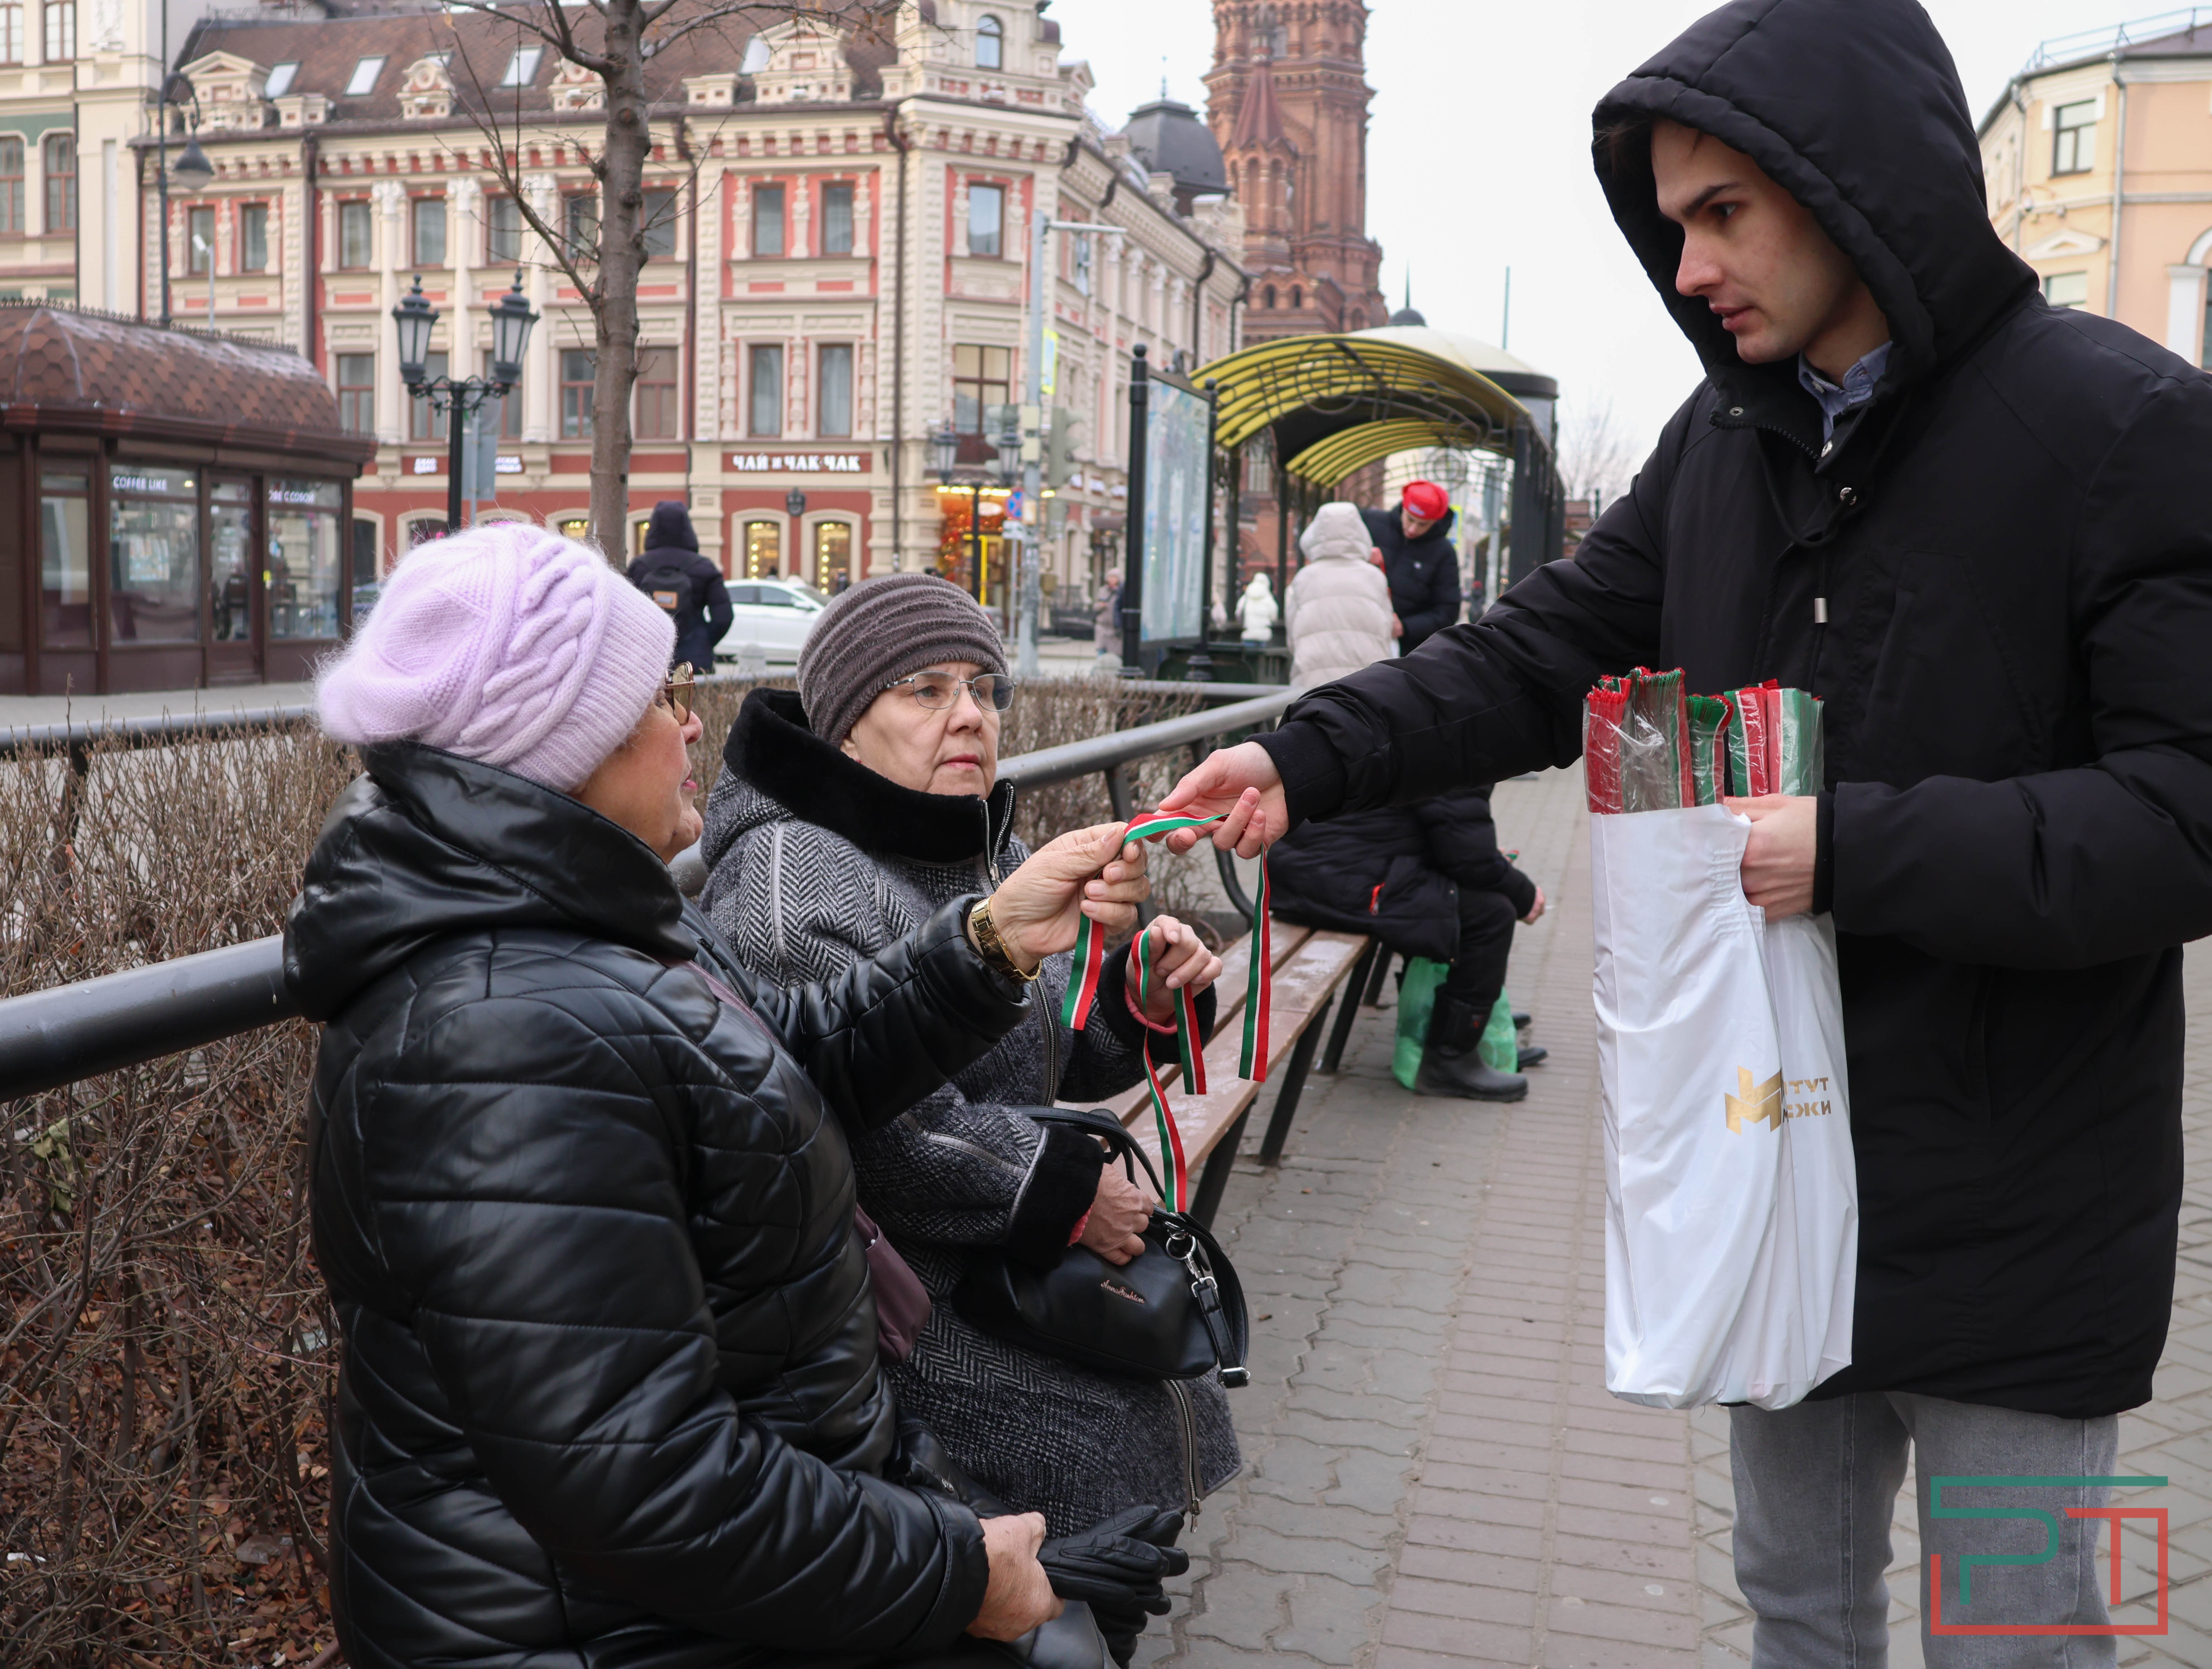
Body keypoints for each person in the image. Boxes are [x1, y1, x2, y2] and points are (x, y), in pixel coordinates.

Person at [1156, 1, 2212, 1660]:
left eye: (1723, 212)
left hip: (2027, 1206)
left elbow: (2184, 815)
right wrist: (1309, 754)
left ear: (1854, 184)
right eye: (1671, 223)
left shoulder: (2126, 422)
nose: (1691, 264)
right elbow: (1543, 649)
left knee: (2028, 1632)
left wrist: (1852, 850)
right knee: (1795, 1602)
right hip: (1767, 1160)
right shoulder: (1726, 437)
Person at [286, 523, 1183, 1668]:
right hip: (593, 1631)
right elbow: (643, 1478)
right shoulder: (503, 1034)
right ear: (569, 744)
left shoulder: (585, 920)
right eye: (661, 696)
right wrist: (956, 1572)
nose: (694, 721)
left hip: (694, 1585)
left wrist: (989, 941)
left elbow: (777, 1062)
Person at [697, 573, 1243, 1558]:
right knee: (1098, 1430)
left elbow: (1049, 1046)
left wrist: (1140, 1000)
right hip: (891, 1300)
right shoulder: (793, 876)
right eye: (926, 690)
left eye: (985, 690)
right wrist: (1067, 1191)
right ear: (846, 727)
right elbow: (868, 1128)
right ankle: (1060, 1600)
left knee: (1140, 1403)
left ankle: (1089, 1591)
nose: (971, 716)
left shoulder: (970, 836)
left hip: (988, 1257)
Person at [1266, 788, 1545, 1100]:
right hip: (1337, 879)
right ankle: (1450, 1059)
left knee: (1452, 898)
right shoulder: (1455, 754)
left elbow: (1454, 838)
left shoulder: (1446, 753)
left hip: (1318, 869)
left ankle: (1472, 1028)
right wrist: (1525, 896)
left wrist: (1491, 865)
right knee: (1492, 915)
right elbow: (1469, 858)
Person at [1286, 502, 1397, 686]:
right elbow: (1386, 630)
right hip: (1365, 684)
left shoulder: (1304, 579)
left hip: (1314, 684)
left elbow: (1292, 637)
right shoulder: (1374, 578)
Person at [627, 499, 733, 672]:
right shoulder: (704, 567)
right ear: (687, 528)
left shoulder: (639, 567)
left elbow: (625, 614)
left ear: (653, 528)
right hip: (693, 663)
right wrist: (703, 641)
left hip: (647, 660)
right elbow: (724, 617)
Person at [1360, 481, 1460, 653]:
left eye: (1423, 524)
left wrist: (1405, 628)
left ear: (1435, 522)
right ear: (1403, 508)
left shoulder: (1444, 553)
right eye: (1410, 519)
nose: (1413, 529)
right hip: (1357, 633)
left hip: (1403, 652)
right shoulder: (1371, 522)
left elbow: (1447, 612)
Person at [1236, 570, 1278, 645]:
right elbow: (1274, 616)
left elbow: (1239, 612)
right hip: (1264, 635)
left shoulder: (1247, 596)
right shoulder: (1268, 598)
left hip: (1249, 633)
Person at [1092, 567, 1123, 661]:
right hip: (1102, 627)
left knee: (1114, 656)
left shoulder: (1121, 592)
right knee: (1101, 653)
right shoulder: (1103, 591)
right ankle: (1098, 670)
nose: (1112, 579)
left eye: (1114, 577)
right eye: (1110, 577)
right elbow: (1095, 607)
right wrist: (1100, 606)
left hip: (1115, 630)